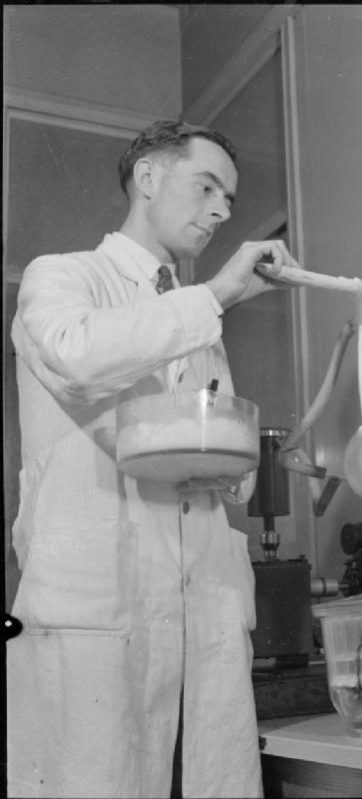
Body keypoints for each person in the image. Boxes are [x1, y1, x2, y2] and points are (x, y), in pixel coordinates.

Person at [6, 120, 300, 798]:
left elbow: (234, 474)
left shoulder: (195, 322)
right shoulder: (64, 277)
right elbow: (77, 357)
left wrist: (229, 461)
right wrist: (216, 297)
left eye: (229, 197)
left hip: (201, 623)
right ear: (147, 179)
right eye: (207, 187)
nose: (223, 210)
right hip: (97, 618)